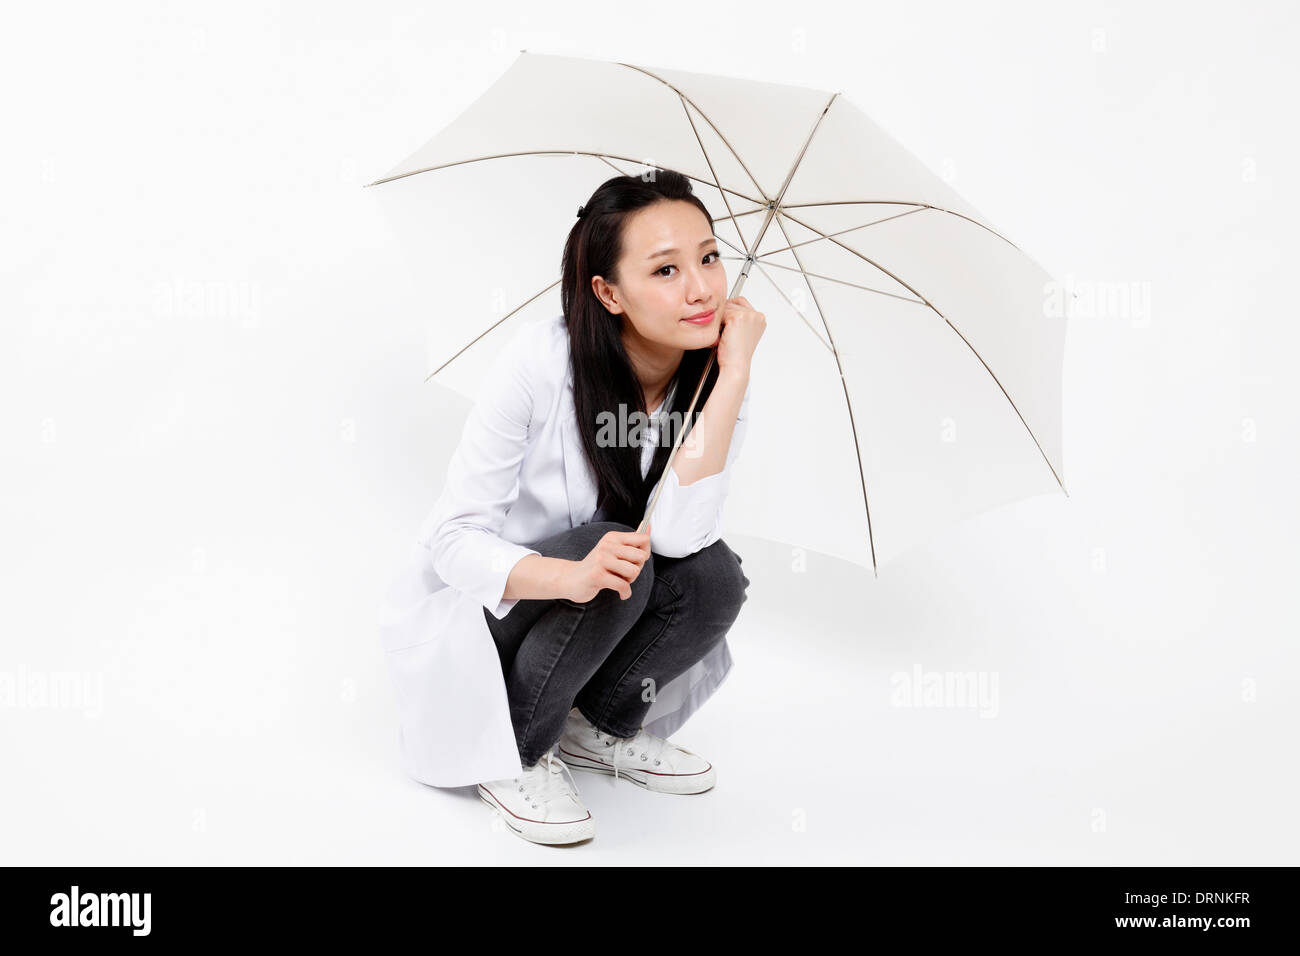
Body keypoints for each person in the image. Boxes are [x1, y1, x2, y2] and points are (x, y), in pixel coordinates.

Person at [377, 168, 765, 846]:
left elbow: (679, 538)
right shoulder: (539, 362)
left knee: (714, 578)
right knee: (613, 556)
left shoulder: (718, 372)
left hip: (598, 604)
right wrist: (566, 576)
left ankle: (592, 728)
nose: (703, 288)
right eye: (666, 270)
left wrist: (732, 376)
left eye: (708, 256)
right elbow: (453, 539)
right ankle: (519, 750)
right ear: (608, 292)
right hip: (490, 618)